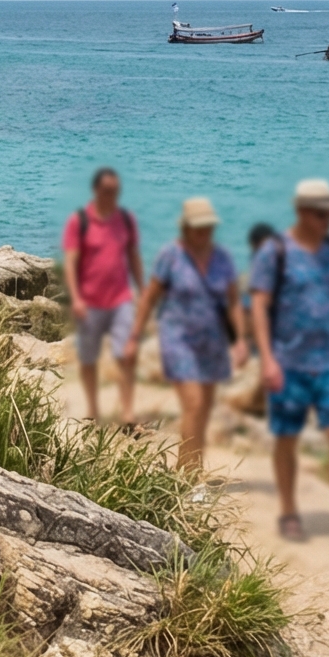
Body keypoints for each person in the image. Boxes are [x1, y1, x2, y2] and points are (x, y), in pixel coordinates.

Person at [249, 177, 329, 557]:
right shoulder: (275, 252)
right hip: (287, 362)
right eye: (322, 214)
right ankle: (289, 510)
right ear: (303, 212)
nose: (328, 221)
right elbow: (258, 305)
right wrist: (267, 359)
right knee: (286, 438)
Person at [124, 197, 246, 469]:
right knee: (193, 403)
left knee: (203, 410)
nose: (204, 233)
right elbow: (150, 298)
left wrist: (239, 341)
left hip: (212, 343)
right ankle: (190, 479)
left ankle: (188, 469)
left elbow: (234, 301)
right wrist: (134, 337)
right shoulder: (171, 256)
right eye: (199, 227)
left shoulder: (222, 259)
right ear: (187, 228)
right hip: (177, 340)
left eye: (208, 227)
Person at [62, 166, 144, 428]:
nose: (112, 195)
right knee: (88, 358)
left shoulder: (126, 219)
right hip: (90, 301)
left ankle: (128, 411)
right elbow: (71, 262)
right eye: (108, 191)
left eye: (116, 191)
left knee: (126, 355)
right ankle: (94, 409)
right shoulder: (80, 221)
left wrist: (142, 291)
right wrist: (75, 298)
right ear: (97, 190)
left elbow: (133, 256)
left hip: (121, 298)